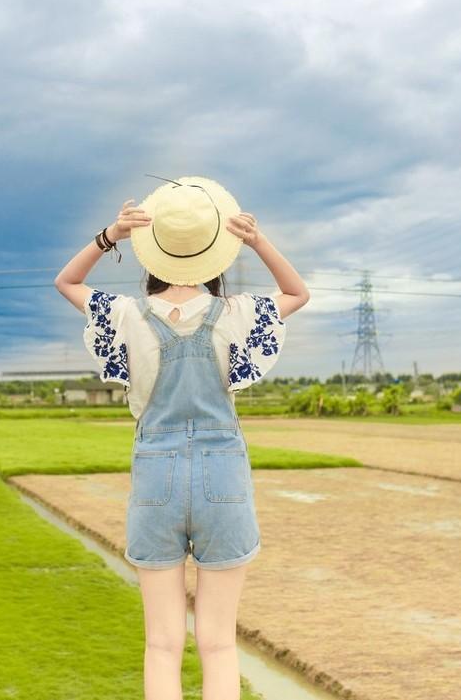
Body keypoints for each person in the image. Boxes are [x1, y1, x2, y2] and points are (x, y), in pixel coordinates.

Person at [54, 175, 309, 700]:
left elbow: (67, 282)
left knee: (162, 645)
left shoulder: (124, 315)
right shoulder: (238, 315)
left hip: (155, 478)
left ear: (152, 255)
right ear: (216, 256)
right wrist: (257, 241)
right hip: (223, 477)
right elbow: (297, 293)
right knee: (218, 644)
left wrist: (110, 236)